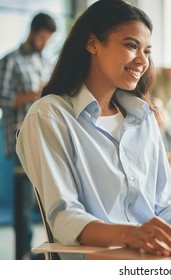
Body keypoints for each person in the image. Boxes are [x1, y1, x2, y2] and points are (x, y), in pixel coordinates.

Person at [15, 0, 171, 260]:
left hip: (153, 256)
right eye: (131, 46)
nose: (142, 60)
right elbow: (64, 215)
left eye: (147, 51)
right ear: (92, 43)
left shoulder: (143, 117)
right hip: (100, 262)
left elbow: (166, 206)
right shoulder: (50, 115)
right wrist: (129, 234)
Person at [0, 12, 57, 259]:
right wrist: (35, 94)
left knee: (44, 204)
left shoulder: (44, 61)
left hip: (43, 140)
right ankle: (21, 258)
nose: (45, 43)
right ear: (33, 32)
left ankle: (39, 256)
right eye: (43, 37)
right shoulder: (10, 61)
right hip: (18, 140)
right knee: (23, 208)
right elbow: (3, 99)